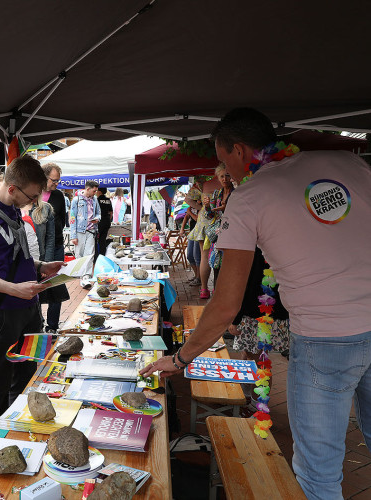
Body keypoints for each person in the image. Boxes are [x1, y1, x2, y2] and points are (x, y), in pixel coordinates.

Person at [140, 107, 371, 500]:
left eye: (223, 159)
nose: (224, 170)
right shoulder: (344, 162)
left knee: (319, 471)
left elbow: (226, 302)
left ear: (240, 150)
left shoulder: (249, 196)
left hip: (325, 339)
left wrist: (181, 359)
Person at [0, 156, 64, 433]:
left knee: (25, 376)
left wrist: (42, 266)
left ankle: (13, 433)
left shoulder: (13, 210)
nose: (33, 202)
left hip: (25, 308)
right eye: (31, 196)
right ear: (12, 188)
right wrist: (13, 289)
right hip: (2, 312)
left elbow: (12, 260)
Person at [41, 163, 68, 334]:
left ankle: (52, 325)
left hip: (56, 244)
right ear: (44, 177)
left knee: (56, 284)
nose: (56, 184)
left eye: (58, 181)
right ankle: (38, 320)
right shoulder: (34, 193)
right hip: (37, 246)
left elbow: (62, 221)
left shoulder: (58, 196)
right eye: (54, 180)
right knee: (37, 283)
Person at [202, 164, 235, 285]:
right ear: (218, 178)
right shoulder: (217, 194)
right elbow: (210, 216)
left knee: (230, 268)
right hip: (218, 236)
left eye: (227, 176)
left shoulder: (236, 193)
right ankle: (217, 295)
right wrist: (207, 207)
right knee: (217, 267)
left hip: (233, 235)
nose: (225, 179)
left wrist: (226, 209)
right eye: (222, 176)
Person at [69, 180, 101, 286]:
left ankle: (86, 277)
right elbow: (72, 218)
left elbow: (98, 213)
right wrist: (73, 235)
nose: (95, 193)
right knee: (80, 255)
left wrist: (97, 219)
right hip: (79, 231)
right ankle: (82, 276)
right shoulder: (76, 200)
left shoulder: (95, 199)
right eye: (94, 191)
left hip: (91, 230)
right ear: (88, 189)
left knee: (90, 254)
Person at [184, 175, 211, 299]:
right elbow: (188, 202)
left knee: (201, 256)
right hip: (204, 225)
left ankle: (204, 287)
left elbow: (188, 200)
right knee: (197, 256)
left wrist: (200, 209)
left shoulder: (202, 187)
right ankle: (202, 284)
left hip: (202, 224)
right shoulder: (211, 185)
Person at [96, 187, 113, 259]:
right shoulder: (108, 200)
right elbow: (111, 212)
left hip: (99, 222)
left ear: (99, 192)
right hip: (106, 221)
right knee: (103, 239)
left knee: (96, 240)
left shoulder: (97, 200)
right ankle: (103, 255)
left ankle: (97, 256)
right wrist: (108, 219)